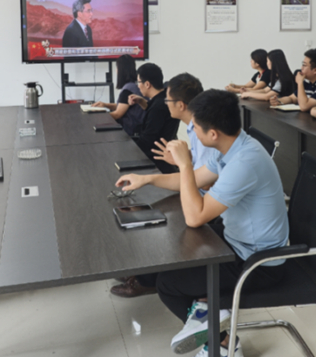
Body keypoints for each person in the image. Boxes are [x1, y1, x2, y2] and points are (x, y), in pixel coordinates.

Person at [115, 90, 288, 357]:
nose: (192, 132)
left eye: (195, 127)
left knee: (168, 285)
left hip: (258, 261)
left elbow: (195, 216)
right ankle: (209, 310)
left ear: (213, 133)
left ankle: (224, 343)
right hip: (238, 240)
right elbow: (194, 180)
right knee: (175, 250)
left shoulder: (244, 162)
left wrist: (184, 165)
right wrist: (147, 179)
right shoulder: (233, 145)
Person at [111, 72, 222, 299]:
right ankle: (145, 272)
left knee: (157, 218)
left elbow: (206, 180)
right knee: (149, 203)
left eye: (167, 100)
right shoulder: (193, 128)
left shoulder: (204, 132)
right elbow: (200, 172)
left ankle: (147, 280)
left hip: (206, 205)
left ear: (181, 105)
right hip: (196, 192)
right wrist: (178, 164)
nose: (164, 103)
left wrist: (183, 166)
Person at [129, 63, 180, 172]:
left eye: (139, 82)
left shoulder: (158, 107)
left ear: (147, 84)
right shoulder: (164, 97)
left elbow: (147, 141)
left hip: (154, 160)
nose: (138, 86)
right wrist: (142, 102)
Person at [90, 54, 144, 136]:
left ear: (120, 70)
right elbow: (123, 106)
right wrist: (105, 105)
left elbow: (117, 114)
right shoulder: (133, 86)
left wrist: (97, 116)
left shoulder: (127, 90)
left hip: (130, 132)